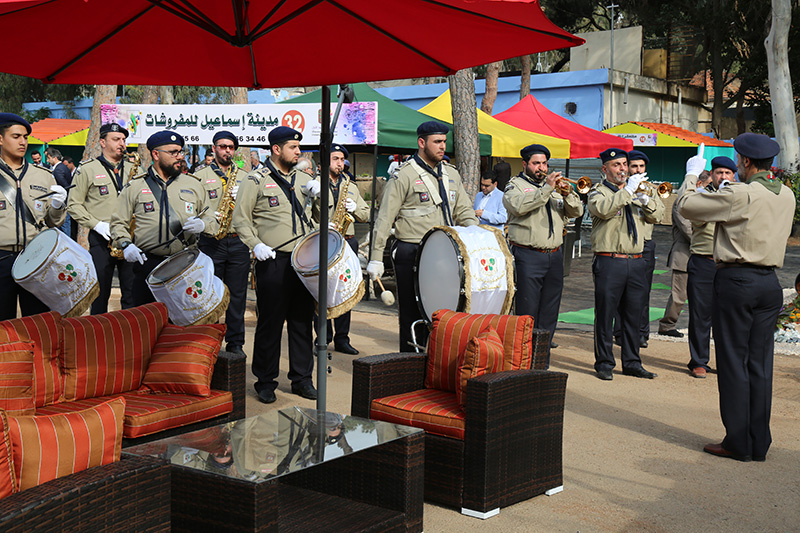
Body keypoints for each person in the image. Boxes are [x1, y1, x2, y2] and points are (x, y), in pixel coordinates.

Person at [678, 135, 794, 462]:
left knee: (732, 362)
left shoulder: (740, 192)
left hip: (737, 279)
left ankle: (737, 442)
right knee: (760, 364)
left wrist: (692, 174)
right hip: (770, 282)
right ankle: (759, 441)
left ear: (745, 161)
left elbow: (687, 206)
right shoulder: (786, 193)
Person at [367, 121, 478, 352]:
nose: (442, 146)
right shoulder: (404, 175)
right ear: (421, 143)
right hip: (412, 251)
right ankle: (411, 362)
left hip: (445, 252)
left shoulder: (451, 174)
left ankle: (436, 363)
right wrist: (376, 257)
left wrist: (476, 234)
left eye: (444, 141)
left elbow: (464, 211)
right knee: (413, 313)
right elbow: (385, 218)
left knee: (444, 311)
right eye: (437, 142)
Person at [232, 126, 320, 404]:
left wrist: (320, 197)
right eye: (293, 147)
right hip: (272, 259)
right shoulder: (255, 180)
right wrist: (255, 244)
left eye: (298, 147)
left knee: (302, 321)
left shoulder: (305, 179)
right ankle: (265, 380)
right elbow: (240, 219)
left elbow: (317, 218)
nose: (298, 152)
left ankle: (302, 379)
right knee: (270, 322)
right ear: (276, 149)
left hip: (303, 260)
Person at [110, 131, 217, 307]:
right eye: (173, 152)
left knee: (181, 320)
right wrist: (126, 244)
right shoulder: (136, 186)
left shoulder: (193, 184)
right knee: (145, 319)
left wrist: (203, 224)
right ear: (156, 154)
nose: (180, 157)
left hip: (184, 266)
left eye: (181, 152)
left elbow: (212, 220)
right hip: (146, 264)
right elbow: (118, 222)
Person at [504, 143, 582, 363]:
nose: (541, 168)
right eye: (536, 163)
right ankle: (522, 361)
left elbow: (577, 212)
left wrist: (568, 194)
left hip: (555, 255)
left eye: (544, 163)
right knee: (527, 311)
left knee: (550, 311)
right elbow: (518, 207)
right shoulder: (515, 186)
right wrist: (547, 189)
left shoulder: (555, 187)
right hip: (528, 255)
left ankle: (541, 359)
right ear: (525, 164)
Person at [588, 148, 660, 381]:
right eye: (616, 165)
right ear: (605, 169)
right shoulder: (598, 191)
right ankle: (604, 362)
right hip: (610, 260)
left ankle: (632, 362)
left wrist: (646, 201)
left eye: (624, 164)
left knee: (633, 315)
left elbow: (658, 215)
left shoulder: (639, 188)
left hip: (637, 260)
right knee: (606, 314)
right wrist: (627, 191)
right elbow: (602, 210)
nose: (622, 169)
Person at [0, 113, 67, 320]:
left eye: (25, 137)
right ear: (0, 139)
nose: (23, 142)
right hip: (1, 258)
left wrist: (57, 206)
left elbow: (54, 221)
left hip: (36, 260)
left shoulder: (43, 175)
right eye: (16, 136)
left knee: (38, 322)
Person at [68, 123, 136, 314]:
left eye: (123, 140)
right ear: (102, 142)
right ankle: (99, 331)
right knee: (100, 293)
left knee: (132, 294)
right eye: (116, 139)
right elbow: (73, 205)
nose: (122, 144)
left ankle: (130, 331)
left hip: (131, 237)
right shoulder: (87, 169)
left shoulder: (134, 168)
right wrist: (96, 225)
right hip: (101, 239)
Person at [194, 130, 250, 357]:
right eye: (223, 146)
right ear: (214, 148)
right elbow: (194, 207)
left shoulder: (245, 176)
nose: (227, 151)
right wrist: (207, 218)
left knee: (237, 296)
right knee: (210, 295)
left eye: (231, 147)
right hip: (210, 242)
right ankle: (210, 340)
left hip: (237, 242)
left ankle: (235, 343)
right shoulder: (200, 176)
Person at [681, 157, 737, 379]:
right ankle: (699, 361)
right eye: (719, 172)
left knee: (728, 316)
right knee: (700, 313)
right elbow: (696, 219)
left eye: (727, 173)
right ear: (712, 175)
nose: (723, 177)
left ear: (734, 176)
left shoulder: (739, 197)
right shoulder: (702, 195)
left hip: (729, 264)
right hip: (703, 261)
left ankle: (727, 361)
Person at [313, 144, 370, 355]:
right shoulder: (314, 184)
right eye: (335, 159)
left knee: (345, 290)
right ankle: (323, 337)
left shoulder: (350, 185)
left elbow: (365, 214)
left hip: (347, 242)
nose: (340, 163)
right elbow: (305, 217)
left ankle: (342, 338)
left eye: (341, 159)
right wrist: (319, 227)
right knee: (322, 292)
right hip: (324, 242)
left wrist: (355, 209)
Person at [656, 171, 699, 338]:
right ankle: (667, 325)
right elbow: (687, 229)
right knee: (679, 295)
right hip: (684, 255)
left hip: (702, 255)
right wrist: (708, 242)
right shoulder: (681, 203)